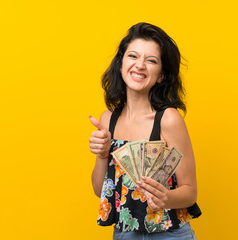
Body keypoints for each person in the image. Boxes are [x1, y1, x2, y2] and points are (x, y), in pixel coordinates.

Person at [89, 22, 201, 239]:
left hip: (170, 234)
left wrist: (165, 197)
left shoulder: (168, 119)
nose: (140, 65)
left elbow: (190, 191)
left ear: (160, 75)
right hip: (124, 234)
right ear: (122, 63)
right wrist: (102, 154)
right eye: (133, 56)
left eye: (151, 60)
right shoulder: (107, 119)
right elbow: (99, 190)